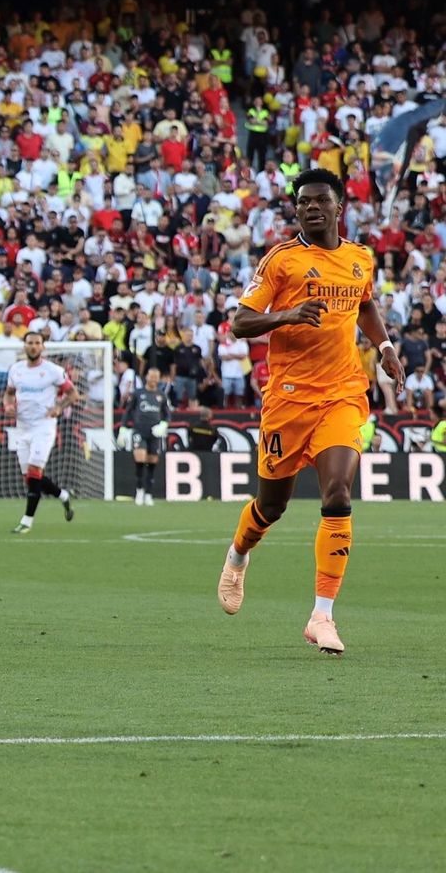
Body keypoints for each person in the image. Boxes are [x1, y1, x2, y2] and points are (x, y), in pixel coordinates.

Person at [218, 168, 404, 655]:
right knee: (271, 506)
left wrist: (384, 345)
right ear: (296, 210)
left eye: (321, 200)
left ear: (340, 207)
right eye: (303, 202)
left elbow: (364, 304)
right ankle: (238, 555)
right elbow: (240, 322)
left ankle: (322, 615)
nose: (312, 208)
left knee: (339, 492)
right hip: (288, 399)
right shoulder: (282, 260)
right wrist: (287, 314)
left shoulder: (360, 257)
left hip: (343, 392)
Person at [4, 330, 78, 533]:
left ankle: (27, 521)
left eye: (37, 343)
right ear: (24, 345)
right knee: (30, 478)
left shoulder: (53, 370)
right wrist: (8, 406)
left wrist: (59, 408)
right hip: (22, 427)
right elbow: (9, 395)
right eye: (30, 343)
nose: (33, 346)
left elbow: (73, 394)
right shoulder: (16, 370)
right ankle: (62, 495)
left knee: (35, 472)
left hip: (43, 427)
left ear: (43, 347)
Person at [125, 367, 172, 506]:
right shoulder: (138, 394)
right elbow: (128, 411)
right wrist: (123, 427)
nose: (154, 379)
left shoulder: (161, 395)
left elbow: (167, 414)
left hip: (154, 433)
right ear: (147, 377)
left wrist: (164, 424)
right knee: (140, 458)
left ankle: (149, 493)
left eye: (156, 377)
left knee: (152, 462)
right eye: (151, 376)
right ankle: (139, 490)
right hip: (140, 430)